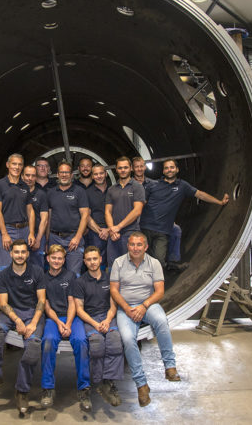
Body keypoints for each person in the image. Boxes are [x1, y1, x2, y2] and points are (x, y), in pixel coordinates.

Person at [109, 232, 181, 407]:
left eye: (139, 245)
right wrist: (127, 308)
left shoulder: (154, 263)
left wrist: (144, 306)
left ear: (146, 247)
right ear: (128, 246)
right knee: (127, 339)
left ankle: (169, 366)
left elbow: (159, 291)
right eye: (132, 244)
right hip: (125, 307)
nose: (135, 248)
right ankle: (141, 384)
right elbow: (114, 290)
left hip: (147, 304)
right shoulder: (118, 263)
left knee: (162, 322)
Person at [0, 239, 46, 415]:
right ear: (11, 254)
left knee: (33, 348)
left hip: (33, 313)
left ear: (28, 254)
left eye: (23, 252)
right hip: (11, 313)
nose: (20, 255)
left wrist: (32, 323)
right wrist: (17, 320)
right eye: (17, 252)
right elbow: (3, 303)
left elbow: (41, 301)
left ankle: (22, 391)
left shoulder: (37, 272)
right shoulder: (4, 275)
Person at [140, 159, 229, 270]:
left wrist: (219, 202)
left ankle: (170, 266)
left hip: (162, 230)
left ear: (177, 169)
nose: (169, 170)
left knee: (159, 262)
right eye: (166, 168)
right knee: (141, 259)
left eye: (172, 167)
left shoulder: (182, 186)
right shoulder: (153, 186)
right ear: (163, 171)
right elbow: (140, 204)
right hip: (145, 227)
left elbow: (200, 195)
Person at [39, 245, 90, 410]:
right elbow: (46, 306)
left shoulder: (71, 276)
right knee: (48, 342)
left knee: (81, 342)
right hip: (53, 318)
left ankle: (84, 388)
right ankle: (48, 388)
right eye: (53, 258)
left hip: (71, 317)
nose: (56, 261)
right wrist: (59, 323)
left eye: (60, 258)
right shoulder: (43, 278)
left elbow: (72, 303)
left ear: (64, 260)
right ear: (48, 259)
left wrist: (67, 323)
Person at [73, 246, 123, 409]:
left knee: (115, 341)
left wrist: (108, 320)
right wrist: (95, 324)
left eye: (95, 259)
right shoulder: (80, 282)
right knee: (97, 345)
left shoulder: (109, 279)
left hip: (107, 316)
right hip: (90, 318)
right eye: (89, 259)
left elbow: (113, 304)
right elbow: (79, 309)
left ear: (100, 259)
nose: (92, 262)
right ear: (84, 262)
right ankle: (98, 381)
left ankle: (108, 383)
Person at [0, 154, 36, 291]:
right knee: (5, 266)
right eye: (14, 164)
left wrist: (31, 232)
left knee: (23, 266)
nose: (17, 167)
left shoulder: (25, 186)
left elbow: (30, 211)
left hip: (24, 230)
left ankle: (19, 297)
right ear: (8, 165)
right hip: (7, 229)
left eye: (20, 164)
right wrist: (4, 233)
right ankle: (4, 298)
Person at [46, 161, 90, 276]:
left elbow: (85, 215)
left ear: (71, 175)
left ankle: (73, 295)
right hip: (54, 238)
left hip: (73, 239)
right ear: (57, 174)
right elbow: (48, 218)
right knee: (55, 273)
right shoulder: (50, 193)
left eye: (67, 172)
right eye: (62, 172)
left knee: (74, 274)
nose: (64, 175)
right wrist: (47, 240)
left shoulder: (80, 192)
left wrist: (77, 237)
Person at [105, 157, 145, 268]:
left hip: (131, 234)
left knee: (131, 267)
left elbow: (137, 211)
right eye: (120, 168)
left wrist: (119, 227)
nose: (123, 170)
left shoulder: (137, 187)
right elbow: (107, 211)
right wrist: (112, 230)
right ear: (116, 170)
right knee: (113, 267)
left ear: (131, 168)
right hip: (114, 235)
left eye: (126, 167)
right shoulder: (111, 189)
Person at [22, 165, 49, 270]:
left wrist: (38, 239)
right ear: (22, 176)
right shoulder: (16, 192)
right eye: (27, 175)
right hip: (21, 232)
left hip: (38, 234)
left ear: (36, 178)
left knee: (37, 266)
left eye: (33, 176)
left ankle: (38, 286)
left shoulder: (41, 194)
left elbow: (44, 219)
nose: (30, 178)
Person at [85, 164, 109, 263]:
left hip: (114, 232)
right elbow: (86, 215)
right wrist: (100, 231)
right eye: (96, 174)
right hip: (95, 234)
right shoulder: (87, 193)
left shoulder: (114, 190)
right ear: (92, 176)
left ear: (106, 174)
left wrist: (109, 230)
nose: (99, 176)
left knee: (114, 262)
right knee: (96, 262)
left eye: (101, 173)